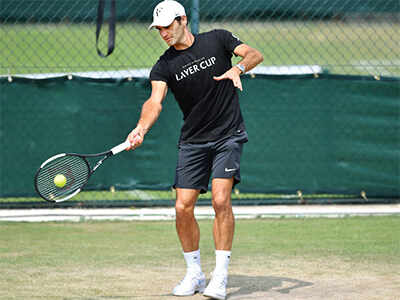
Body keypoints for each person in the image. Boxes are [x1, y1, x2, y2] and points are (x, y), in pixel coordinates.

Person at [126, 1, 263, 299]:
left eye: (167, 26)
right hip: (193, 140)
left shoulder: (218, 38)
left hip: (228, 133)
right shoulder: (163, 66)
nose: (162, 32)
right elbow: (154, 102)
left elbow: (255, 54)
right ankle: (195, 274)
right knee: (182, 207)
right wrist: (141, 128)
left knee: (220, 200)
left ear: (182, 20)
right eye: (158, 28)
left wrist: (238, 68)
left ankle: (221, 277)